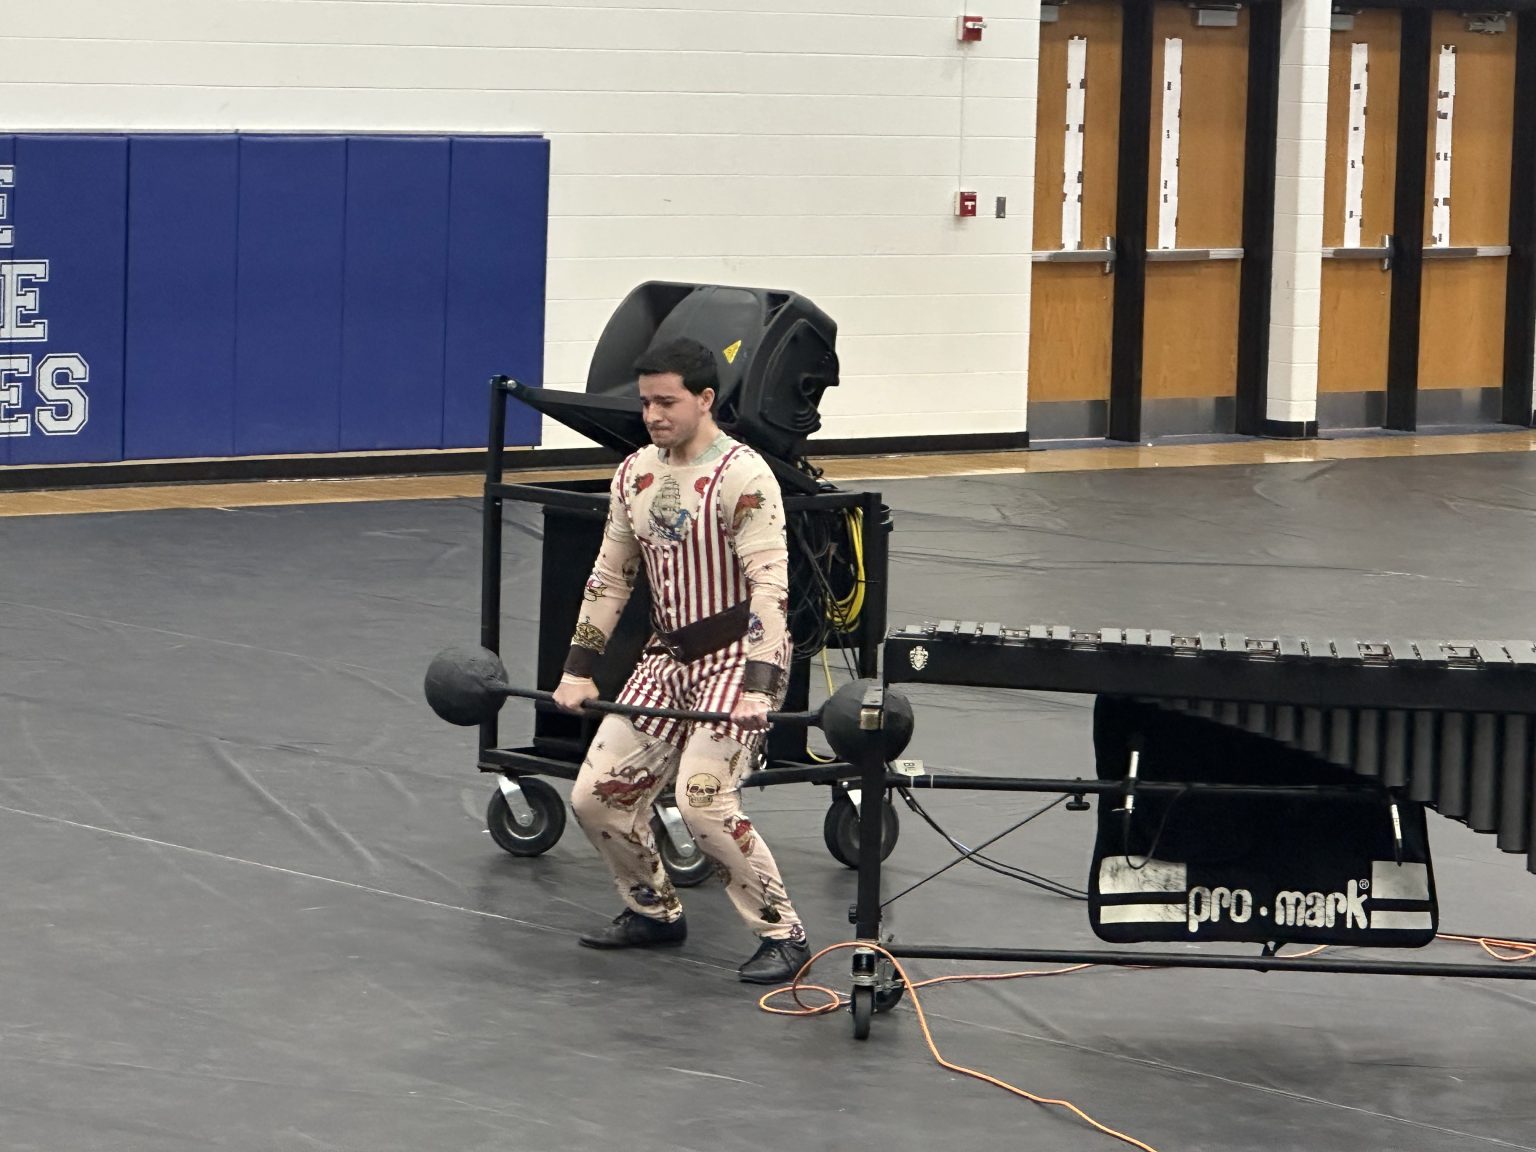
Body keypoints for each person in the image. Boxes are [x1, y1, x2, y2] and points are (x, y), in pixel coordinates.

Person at [553, 335, 812, 985]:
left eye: (666, 402)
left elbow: (770, 588)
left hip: (737, 658)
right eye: (645, 403)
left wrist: (757, 689)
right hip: (667, 658)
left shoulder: (744, 475)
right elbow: (610, 578)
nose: (653, 415)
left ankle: (782, 933)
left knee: (703, 800)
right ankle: (653, 910)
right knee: (595, 798)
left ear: (704, 399)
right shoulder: (634, 473)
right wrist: (577, 670)